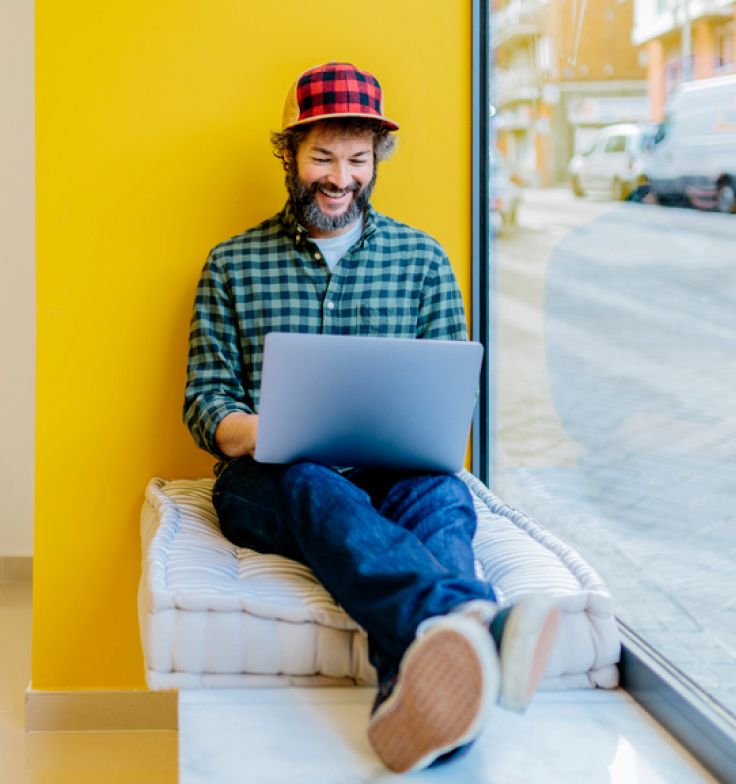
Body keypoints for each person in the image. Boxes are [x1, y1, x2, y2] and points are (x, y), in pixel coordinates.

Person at [184, 61, 560, 773]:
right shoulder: (232, 263)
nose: (340, 177)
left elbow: (453, 392)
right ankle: (475, 620)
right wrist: (270, 431)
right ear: (289, 154)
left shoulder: (421, 260)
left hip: (392, 471)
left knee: (444, 494)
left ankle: (417, 698)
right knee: (310, 480)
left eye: (358, 159)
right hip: (269, 479)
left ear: (376, 159)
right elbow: (206, 402)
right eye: (322, 157)